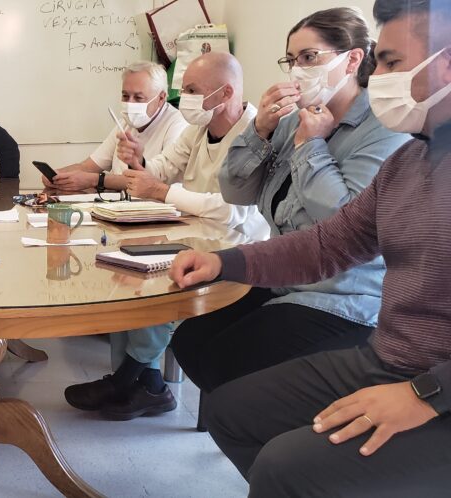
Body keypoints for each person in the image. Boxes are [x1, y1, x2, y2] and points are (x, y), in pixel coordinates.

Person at [171, 1, 451, 494]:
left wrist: (427, 393)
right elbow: (327, 243)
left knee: (285, 466)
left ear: (445, 63)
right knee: (230, 413)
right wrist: (222, 262)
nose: (377, 77)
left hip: (432, 382)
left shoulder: (382, 142)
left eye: (390, 62)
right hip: (390, 360)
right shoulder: (408, 162)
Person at [169, 7, 412, 395]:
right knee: (189, 340)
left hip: (344, 294)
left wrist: (310, 145)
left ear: (352, 59)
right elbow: (236, 191)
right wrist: (259, 130)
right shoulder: (289, 121)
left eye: (309, 57)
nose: (297, 70)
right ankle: (245, 417)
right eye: (291, 59)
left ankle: (255, 418)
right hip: (286, 280)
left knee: (227, 362)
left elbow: (344, 222)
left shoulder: (384, 130)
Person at [63, 52, 270, 420]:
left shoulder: (255, 135)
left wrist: (161, 191)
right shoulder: (198, 129)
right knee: (123, 268)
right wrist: (139, 161)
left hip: (236, 247)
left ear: (225, 93)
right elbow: (163, 168)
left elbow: (234, 211)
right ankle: (148, 384)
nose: (183, 99)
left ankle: (128, 380)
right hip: (193, 233)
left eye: (191, 90)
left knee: (156, 282)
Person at [46, 61, 187, 192]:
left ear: (161, 98)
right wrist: (57, 175)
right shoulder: (125, 123)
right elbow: (89, 166)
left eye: (138, 98)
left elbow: (154, 181)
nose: (130, 104)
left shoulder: (178, 125)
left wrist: (96, 180)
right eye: (125, 96)